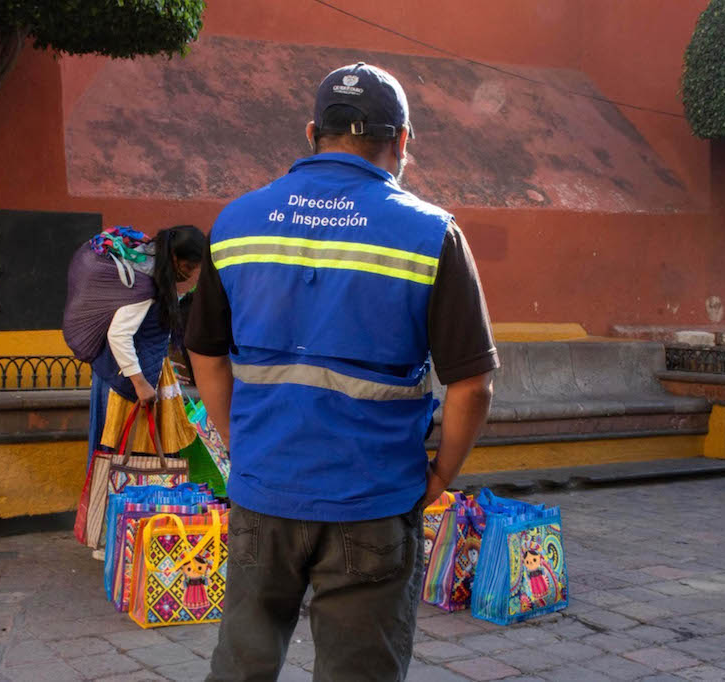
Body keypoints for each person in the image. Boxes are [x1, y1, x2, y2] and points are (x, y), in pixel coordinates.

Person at [186, 62, 497, 681]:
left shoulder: (235, 223)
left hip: (263, 491)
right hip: (373, 498)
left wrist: (243, 444)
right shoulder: (432, 233)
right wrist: (441, 474)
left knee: (241, 665)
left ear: (311, 132)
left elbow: (206, 355)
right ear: (402, 140)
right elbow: (472, 384)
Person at [72, 225, 205, 468]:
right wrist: (141, 383)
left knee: (130, 458)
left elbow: (149, 329)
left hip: (134, 371)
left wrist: (161, 363)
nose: (189, 276)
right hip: (125, 381)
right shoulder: (145, 284)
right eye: (187, 267)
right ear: (174, 258)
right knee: (127, 458)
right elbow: (119, 335)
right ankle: (129, 504)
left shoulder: (154, 272)